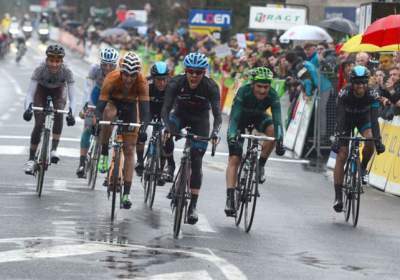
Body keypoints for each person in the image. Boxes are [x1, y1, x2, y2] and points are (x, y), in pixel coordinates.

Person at [161, 52, 221, 225]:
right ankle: (170, 165)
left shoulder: (211, 86)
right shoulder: (176, 82)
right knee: (166, 135)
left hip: (200, 120)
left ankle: (193, 206)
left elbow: (217, 115)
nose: (194, 75)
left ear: (204, 72)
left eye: (198, 72)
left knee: (196, 160)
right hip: (179, 114)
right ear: (185, 70)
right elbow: (165, 109)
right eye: (191, 71)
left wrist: (215, 132)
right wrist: (167, 127)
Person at [224, 67, 285, 217]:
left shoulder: (272, 94)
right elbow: (235, 118)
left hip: (258, 117)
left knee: (271, 130)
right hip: (240, 119)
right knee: (234, 158)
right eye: (259, 86)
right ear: (252, 84)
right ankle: (230, 197)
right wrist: (232, 136)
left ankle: (261, 164)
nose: (263, 91)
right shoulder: (243, 91)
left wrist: (280, 140)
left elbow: (278, 120)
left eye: (266, 86)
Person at [95, 52, 150, 209]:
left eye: (133, 75)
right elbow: (100, 105)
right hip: (113, 103)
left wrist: (144, 128)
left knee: (129, 149)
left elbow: (145, 110)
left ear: (137, 73)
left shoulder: (142, 82)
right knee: (108, 114)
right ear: (121, 71)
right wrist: (98, 120)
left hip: (131, 107)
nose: (129, 79)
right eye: (126, 74)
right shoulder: (112, 78)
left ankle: (126, 193)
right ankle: (104, 152)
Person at [331, 65, 385, 212]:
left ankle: (362, 169)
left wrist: (378, 141)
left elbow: (374, 120)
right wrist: (338, 137)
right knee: (342, 154)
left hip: (363, 120)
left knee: (370, 140)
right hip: (346, 121)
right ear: (352, 83)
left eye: (363, 82)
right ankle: (338, 197)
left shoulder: (372, 94)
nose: (360, 85)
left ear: (366, 82)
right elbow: (340, 118)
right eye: (357, 82)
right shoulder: (344, 93)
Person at [23, 44, 76, 174]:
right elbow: (30, 93)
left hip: (58, 91)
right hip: (41, 90)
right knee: (39, 122)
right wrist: (28, 108)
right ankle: (31, 159)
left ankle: (53, 150)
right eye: (51, 60)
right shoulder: (40, 69)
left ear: (62, 61)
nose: (54, 64)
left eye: (57, 61)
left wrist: (72, 114)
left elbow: (73, 98)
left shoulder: (67, 71)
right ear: (47, 60)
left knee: (59, 112)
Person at [76, 47, 119, 178]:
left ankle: (105, 144)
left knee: (108, 124)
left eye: (110, 65)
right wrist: (86, 106)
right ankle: (82, 163)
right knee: (88, 128)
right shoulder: (95, 69)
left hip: (111, 99)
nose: (107, 68)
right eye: (105, 64)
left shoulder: (119, 73)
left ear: (115, 64)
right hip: (96, 95)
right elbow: (87, 88)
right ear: (101, 63)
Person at [135, 61, 175, 184]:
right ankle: (140, 161)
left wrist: (168, 126)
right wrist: (143, 125)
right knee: (141, 132)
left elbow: (174, 108)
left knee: (167, 136)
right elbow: (142, 107)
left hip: (166, 110)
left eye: (164, 79)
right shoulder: (146, 84)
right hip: (149, 109)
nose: (162, 83)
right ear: (153, 78)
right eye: (158, 80)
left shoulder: (172, 86)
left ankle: (169, 164)